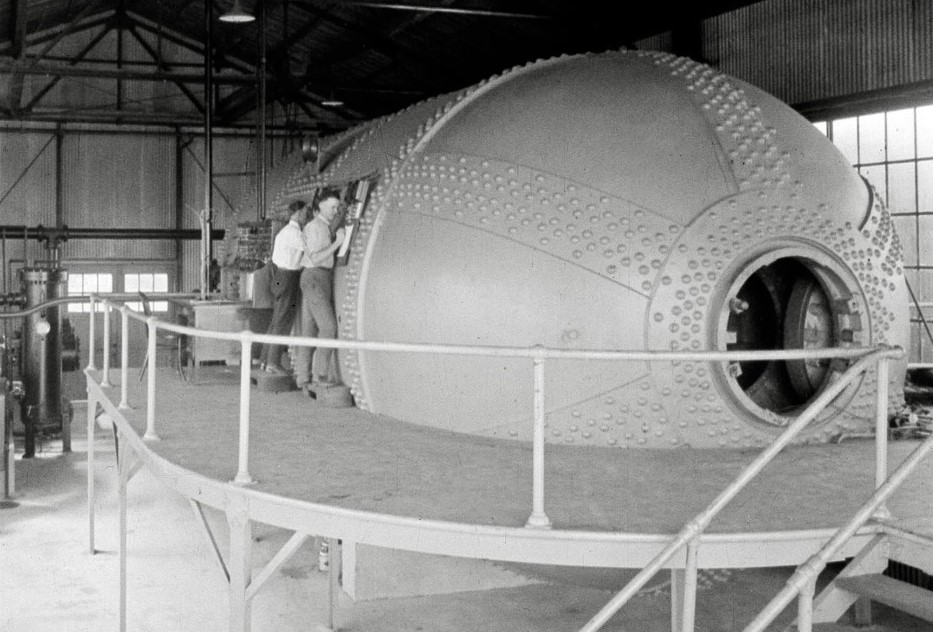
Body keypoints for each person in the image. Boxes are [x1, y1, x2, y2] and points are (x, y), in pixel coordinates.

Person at [293, 191, 346, 390]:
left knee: (309, 330)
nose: (335, 211)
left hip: (313, 278)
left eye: (337, 208)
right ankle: (321, 376)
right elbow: (316, 257)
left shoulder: (321, 227)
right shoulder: (315, 227)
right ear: (320, 206)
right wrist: (338, 243)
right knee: (329, 327)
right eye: (332, 207)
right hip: (316, 276)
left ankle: (303, 377)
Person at [259, 199, 310, 375]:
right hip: (289, 277)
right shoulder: (295, 233)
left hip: (279, 276)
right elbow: (310, 250)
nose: (306, 215)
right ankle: (273, 363)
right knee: (282, 322)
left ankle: (265, 361)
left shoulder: (283, 232)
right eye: (305, 212)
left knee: (275, 321)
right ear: (297, 213)